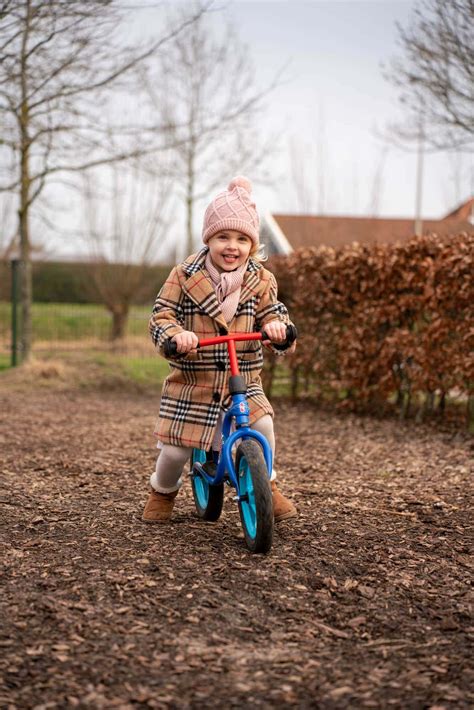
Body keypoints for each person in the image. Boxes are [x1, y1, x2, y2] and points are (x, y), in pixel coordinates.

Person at [142, 176, 297, 524]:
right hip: (194, 380)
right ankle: (163, 492)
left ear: (252, 245)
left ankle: (266, 486)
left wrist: (277, 329)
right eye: (223, 237)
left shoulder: (261, 280)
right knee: (175, 450)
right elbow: (162, 314)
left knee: (264, 426)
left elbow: (273, 311)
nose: (232, 246)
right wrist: (176, 335)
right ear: (209, 238)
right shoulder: (183, 276)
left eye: (242, 239)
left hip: (242, 378)